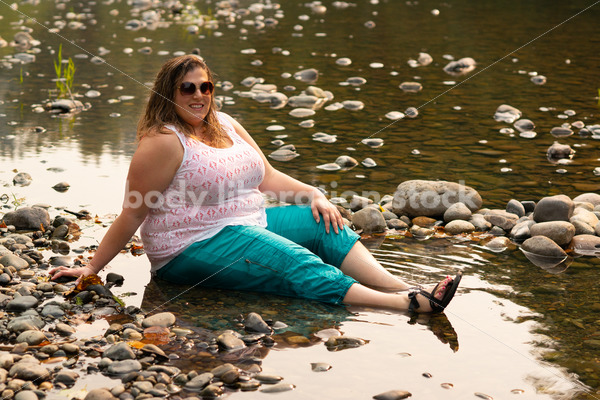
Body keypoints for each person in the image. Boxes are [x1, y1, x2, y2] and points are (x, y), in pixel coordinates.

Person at [49, 54, 461, 313]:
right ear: (168, 93)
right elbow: (134, 211)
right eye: (187, 88)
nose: (198, 95)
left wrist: (315, 194)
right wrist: (90, 268)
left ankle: (403, 284)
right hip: (189, 247)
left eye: (205, 86)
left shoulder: (226, 124)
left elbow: (266, 177)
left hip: (250, 222)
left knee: (323, 223)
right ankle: (407, 305)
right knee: (291, 261)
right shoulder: (162, 142)